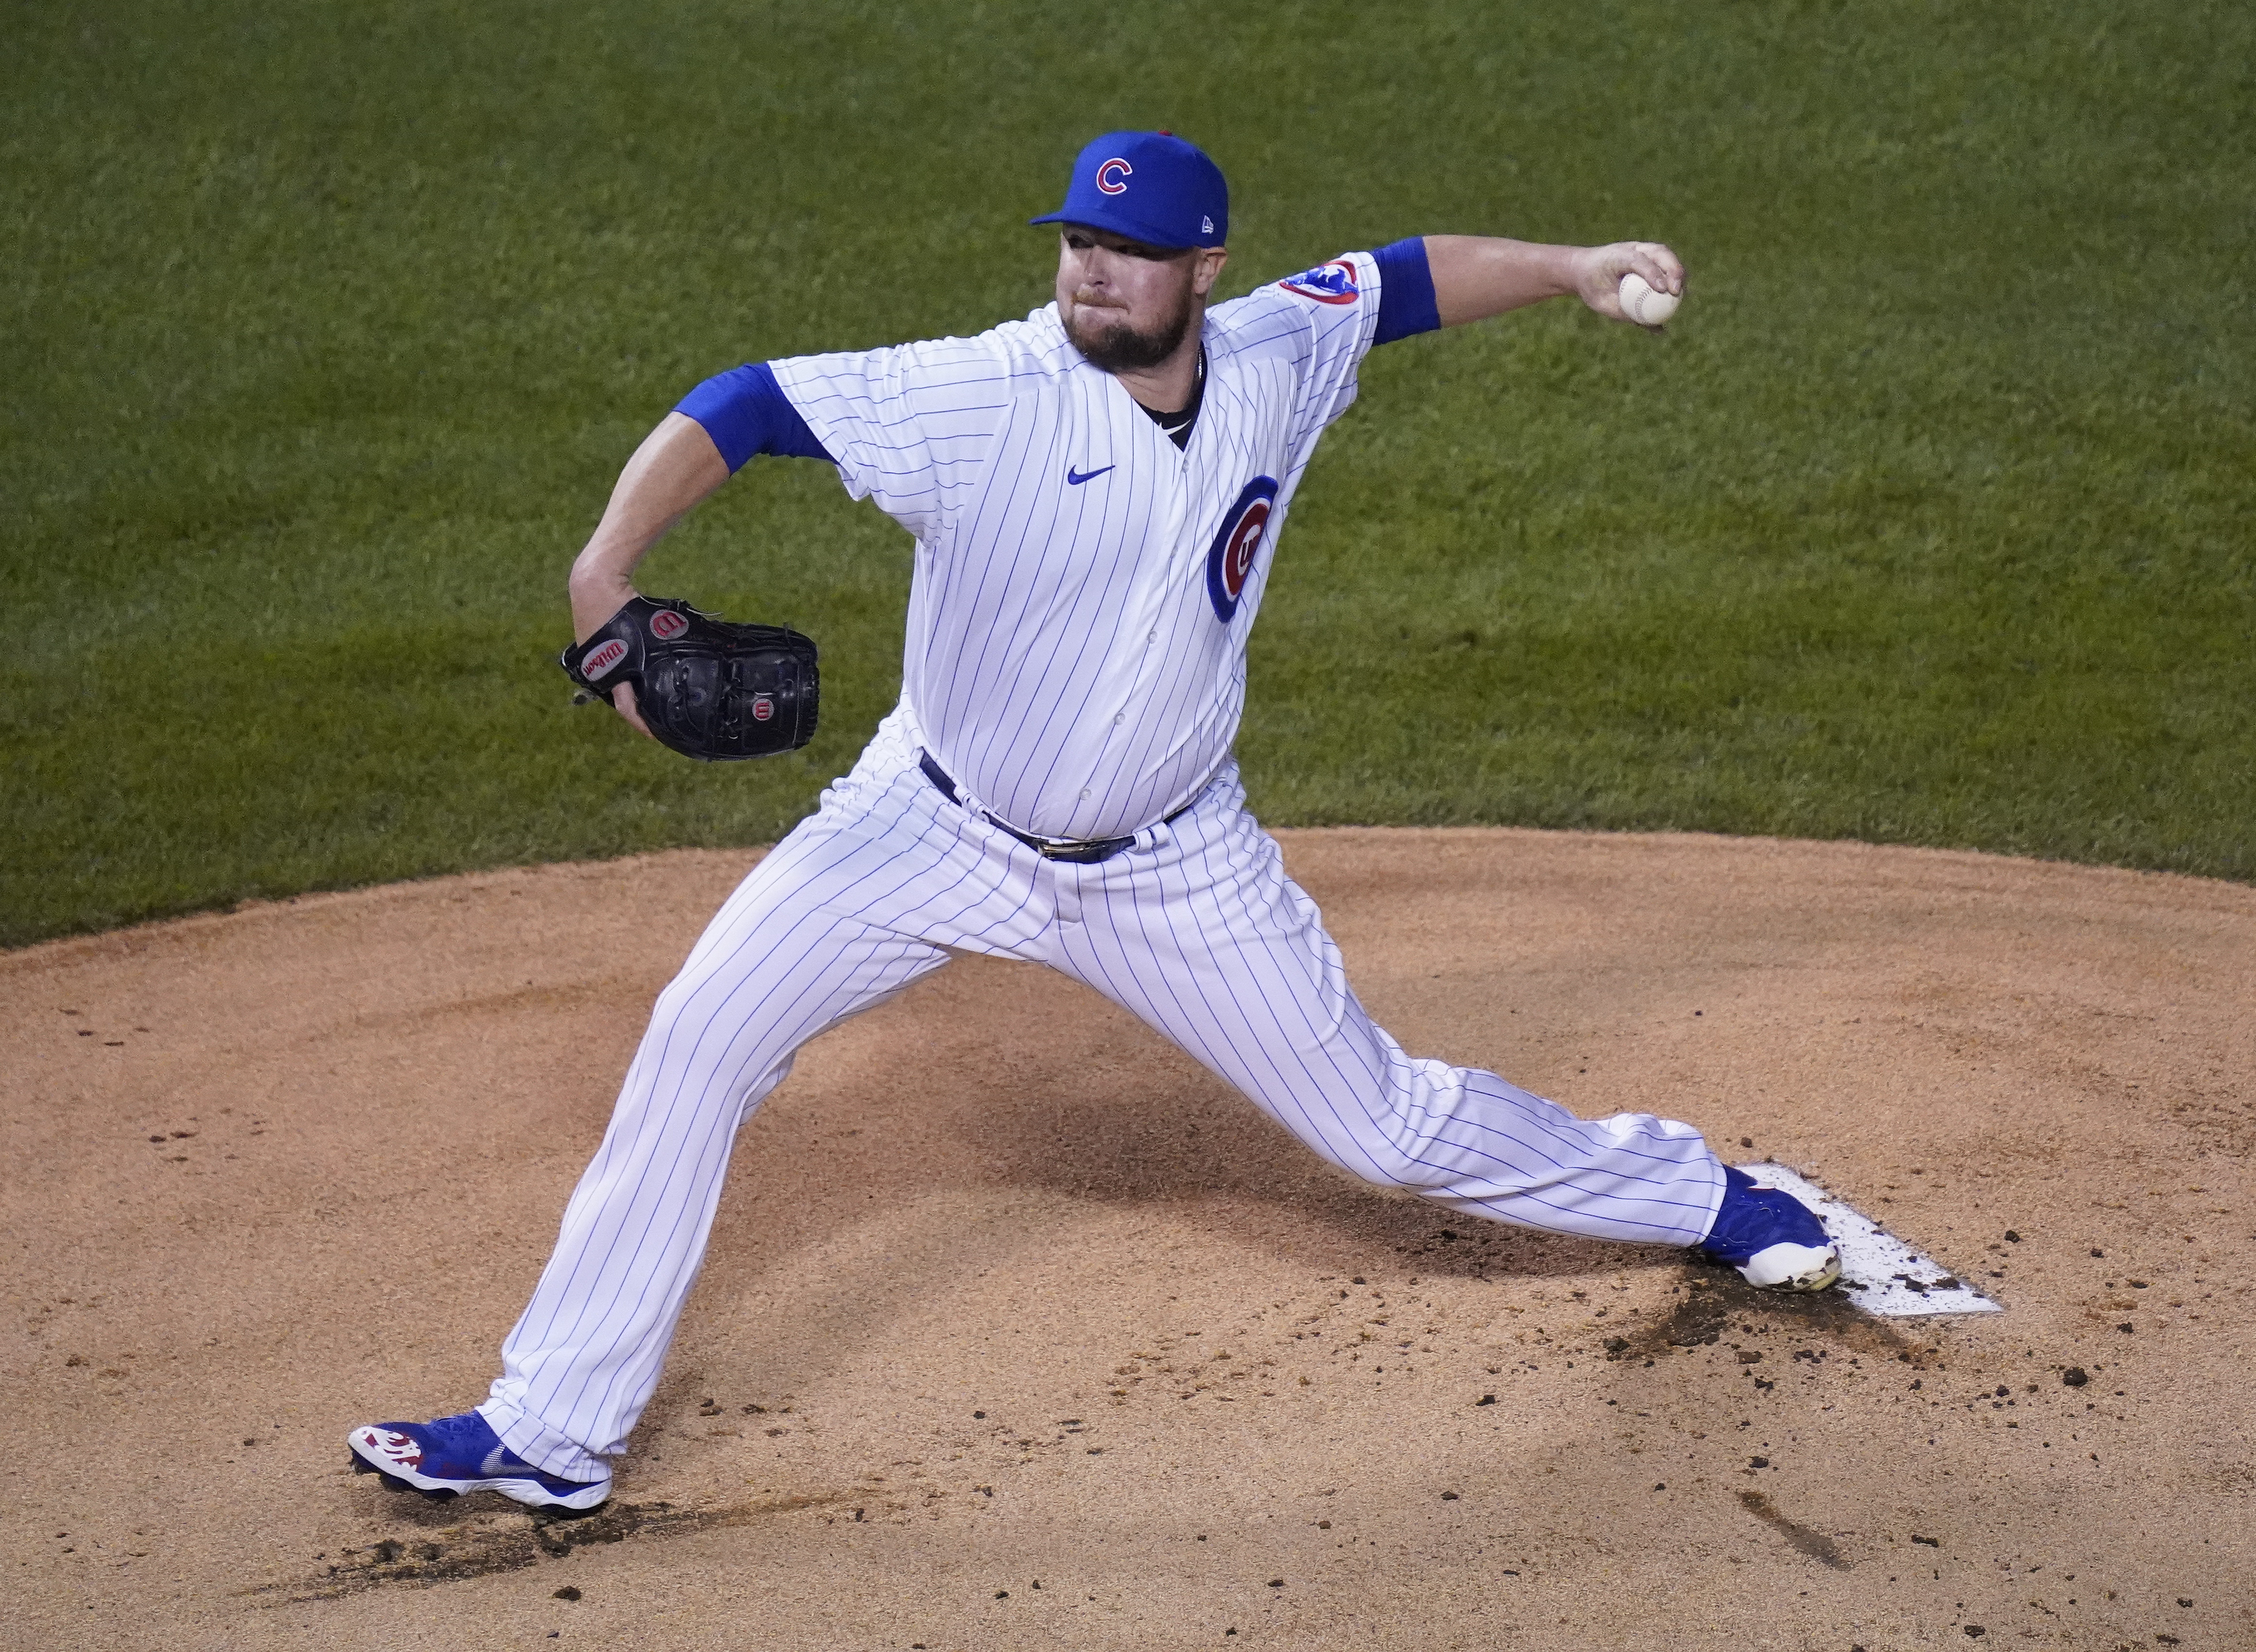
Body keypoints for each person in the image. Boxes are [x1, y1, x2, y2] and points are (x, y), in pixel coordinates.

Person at [347, 131, 1839, 1514]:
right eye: (1077, 242)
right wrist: (604, 570)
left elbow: (1404, 277)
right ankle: (551, 1429)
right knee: (699, 1038)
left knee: (1385, 1131)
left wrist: (1575, 267)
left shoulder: (1272, 348)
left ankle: (1705, 1191)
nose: (1092, 270)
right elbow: (748, 402)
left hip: (1177, 863)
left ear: (1204, 271)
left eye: (1128, 250)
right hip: (927, 826)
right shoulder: (984, 392)